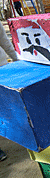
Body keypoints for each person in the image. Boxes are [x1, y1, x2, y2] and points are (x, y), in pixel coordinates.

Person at [0, 22, 18, 161]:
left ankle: (17, 132)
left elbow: (5, 42)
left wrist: (18, 60)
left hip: (2, 69)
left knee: (5, 105)